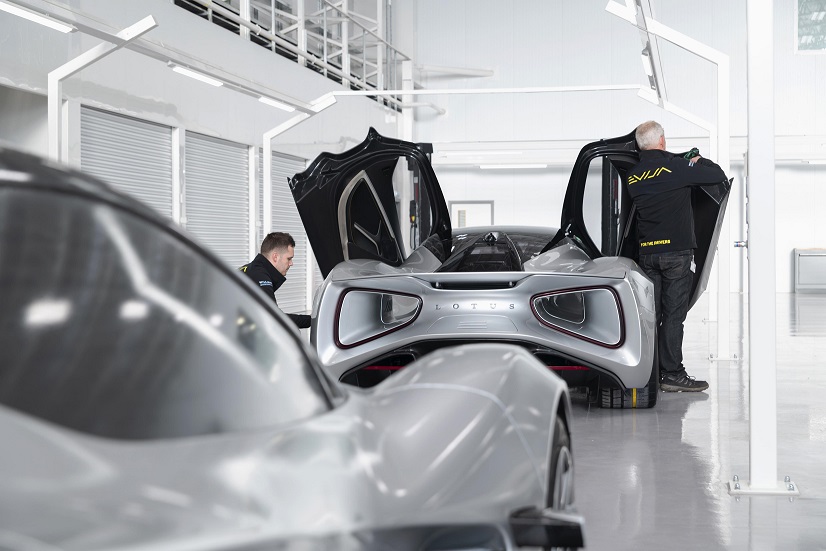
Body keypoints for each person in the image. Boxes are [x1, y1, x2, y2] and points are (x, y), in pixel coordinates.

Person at [627, 121, 728, 392]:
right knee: (673, 316)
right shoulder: (677, 168)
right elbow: (717, 175)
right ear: (662, 141)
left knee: (651, 315)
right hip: (675, 254)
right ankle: (671, 374)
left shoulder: (632, 176)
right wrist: (697, 160)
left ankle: (648, 371)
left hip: (648, 254)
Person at [240, 232, 311, 329]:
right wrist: (313, 320)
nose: (291, 263)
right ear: (275, 257)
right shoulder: (260, 276)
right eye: (289, 259)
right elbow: (274, 318)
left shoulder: (250, 270)